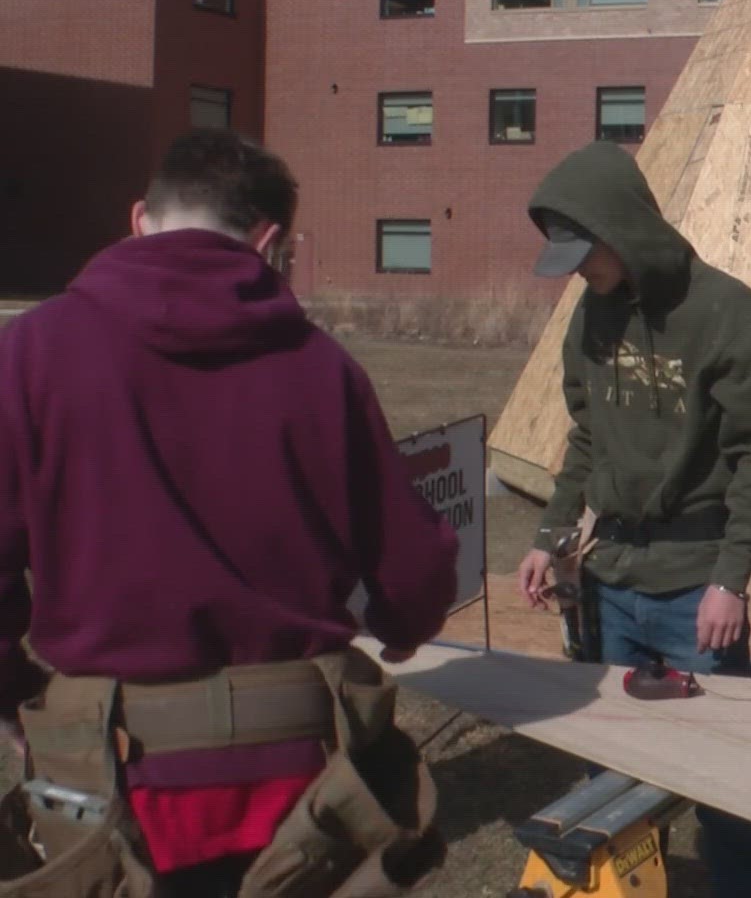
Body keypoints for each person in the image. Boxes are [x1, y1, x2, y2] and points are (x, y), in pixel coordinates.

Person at [0, 130, 459, 896]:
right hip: (299, 795)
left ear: (140, 218)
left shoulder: (32, 351)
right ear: (268, 241)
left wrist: (13, 698)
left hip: (108, 778)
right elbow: (413, 569)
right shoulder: (322, 369)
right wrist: (404, 620)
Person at [515, 140, 751, 898]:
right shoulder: (591, 316)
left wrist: (730, 579)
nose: (578, 270)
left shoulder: (723, 311)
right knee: (612, 776)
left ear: (623, 227)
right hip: (612, 581)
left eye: (585, 252)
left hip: (693, 587)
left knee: (722, 782)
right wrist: (552, 535)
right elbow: (585, 436)